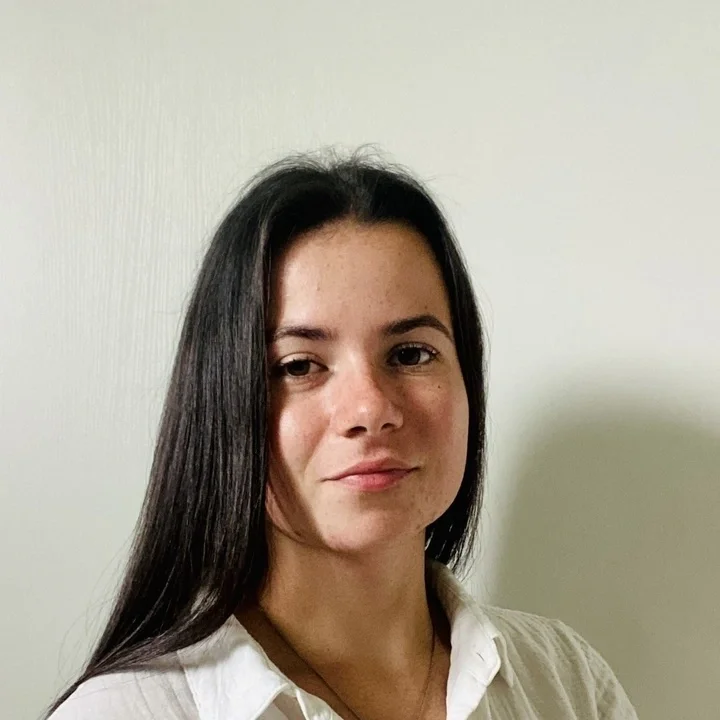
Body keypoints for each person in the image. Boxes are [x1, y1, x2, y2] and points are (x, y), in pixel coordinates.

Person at [46, 151, 638, 720]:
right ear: (223, 404)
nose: (370, 409)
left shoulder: (568, 685)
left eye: (411, 354)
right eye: (300, 365)